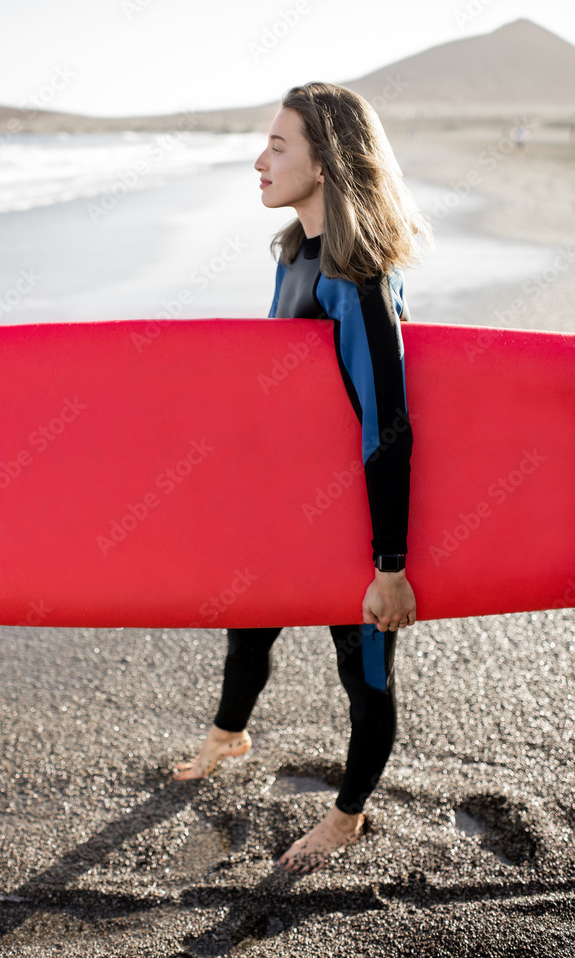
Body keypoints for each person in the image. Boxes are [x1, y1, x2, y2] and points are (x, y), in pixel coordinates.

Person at [174, 82, 432, 873]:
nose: (260, 160)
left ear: (324, 164)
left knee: (364, 675)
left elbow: (386, 425)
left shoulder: (355, 280)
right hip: (289, 509)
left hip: (357, 527)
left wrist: (388, 566)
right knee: (249, 620)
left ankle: (348, 816)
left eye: (278, 146)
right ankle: (228, 733)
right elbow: (288, 401)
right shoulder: (293, 255)